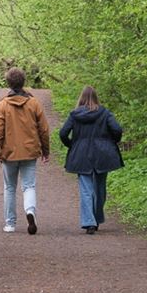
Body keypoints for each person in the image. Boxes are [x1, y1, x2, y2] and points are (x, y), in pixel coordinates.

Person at [0, 67, 50, 234]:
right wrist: (46, 151)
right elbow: (44, 129)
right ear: (24, 82)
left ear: (8, 83)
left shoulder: (3, 105)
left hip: (9, 153)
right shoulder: (34, 103)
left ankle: (10, 223)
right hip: (30, 152)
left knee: (10, 187)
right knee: (29, 186)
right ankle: (30, 211)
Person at [58, 86, 123, 234]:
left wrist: (72, 145)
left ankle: (89, 222)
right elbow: (117, 130)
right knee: (100, 188)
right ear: (96, 98)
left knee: (86, 189)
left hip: (81, 155)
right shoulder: (104, 113)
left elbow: (63, 133)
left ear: (81, 98)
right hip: (103, 154)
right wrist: (112, 142)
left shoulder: (75, 115)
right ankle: (96, 218)